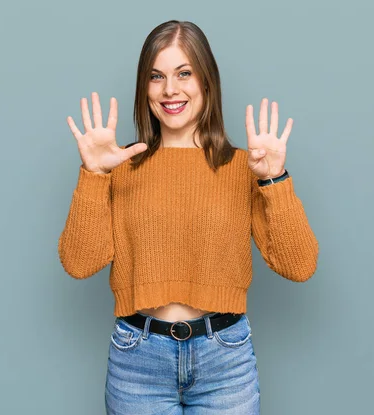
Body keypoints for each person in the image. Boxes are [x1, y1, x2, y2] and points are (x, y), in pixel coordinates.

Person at [58, 19, 319, 415]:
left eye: (184, 73)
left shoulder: (242, 168)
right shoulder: (121, 166)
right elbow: (79, 264)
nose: (170, 90)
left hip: (225, 362)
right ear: (144, 88)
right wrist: (95, 175)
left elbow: (300, 265)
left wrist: (274, 179)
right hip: (137, 361)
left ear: (207, 81)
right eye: (156, 76)